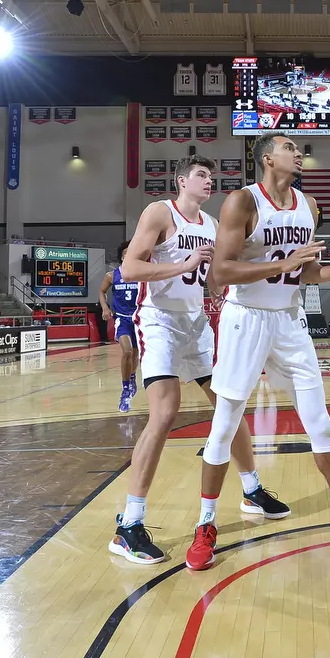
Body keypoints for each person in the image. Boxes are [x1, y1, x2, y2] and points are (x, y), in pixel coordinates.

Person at [185, 133, 330, 570]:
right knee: (224, 424)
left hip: (289, 322)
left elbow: (305, 272)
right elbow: (221, 270)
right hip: (246, 319)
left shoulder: (309, 206)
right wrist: (283, 263)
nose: (298, 152)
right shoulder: (242, 202)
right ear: (267, 158)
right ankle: (206, 524)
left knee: (320, 424)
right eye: (290, 146)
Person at [109, 155, 289, 566]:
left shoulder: (211, 225)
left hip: (197, 324)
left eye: (212, 176)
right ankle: (128, 526)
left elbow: (213, 276)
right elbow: (130, 266)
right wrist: (184, 264)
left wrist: (218, 280)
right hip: (159, 324)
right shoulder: (160, 212)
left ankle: (251, 489)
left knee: (230, 404)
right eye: (202, 175)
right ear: (181, 181)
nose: (211, 181)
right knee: (165, 411)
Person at [99, 239, 140, 412]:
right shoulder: (112, 275)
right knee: (127, 351)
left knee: (136, 353)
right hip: (122, 318)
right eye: (126, 253)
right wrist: (105, 308)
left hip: (139, 318)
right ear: (122, 257)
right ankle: (125, 390)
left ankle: (132, 378)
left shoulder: (142, 274)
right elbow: (101, 291)